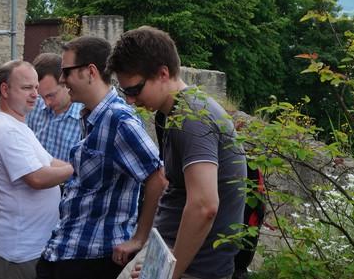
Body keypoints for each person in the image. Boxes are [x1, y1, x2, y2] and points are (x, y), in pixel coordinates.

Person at [107, 26, 246, 279]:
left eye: (135, 90)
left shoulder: (192, 119)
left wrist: (167, 273)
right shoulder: (172, 113)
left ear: (163, 73)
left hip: (191, 269)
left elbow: (204, 206)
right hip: (168, 256)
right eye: (125, 92)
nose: (130, 100)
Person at [37, 36, 166, 279]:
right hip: (68, 252)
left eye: (66, 71)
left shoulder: (119, 119)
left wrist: (139, 238)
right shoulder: (92, 116)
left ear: (91, 72)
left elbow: (158, 178)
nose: (62, 79)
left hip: (93, 260)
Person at [0, 61, 73, 279]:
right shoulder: (8, 131)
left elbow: (49, 162)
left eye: (36, 87)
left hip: (27, 247)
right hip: (17, 251)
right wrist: (78, 169)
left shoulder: (18, 126)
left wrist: (79, 164)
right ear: (5, 90)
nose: (35, 94)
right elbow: (37, 178)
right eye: (26, 88)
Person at [26, 53, 83, 162]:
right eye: (41, 96)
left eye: (50, 95)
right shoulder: (34, 106)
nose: (46, 103)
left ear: (66, 83)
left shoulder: (85, 118)